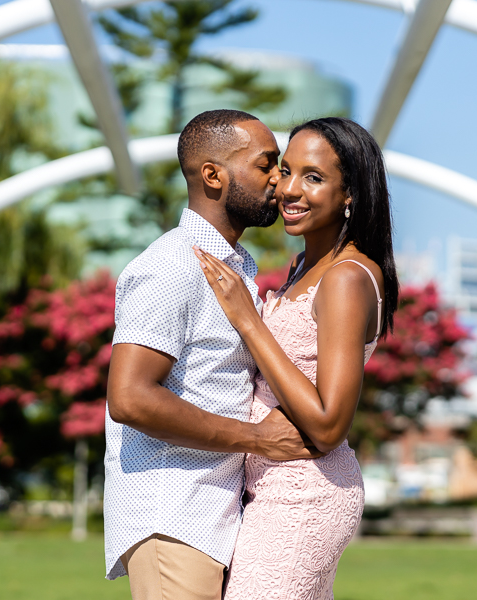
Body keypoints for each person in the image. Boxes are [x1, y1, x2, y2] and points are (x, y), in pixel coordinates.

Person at [104, 109, 321, 600]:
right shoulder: (171, 267)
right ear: (213, 175)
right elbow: (130, 398)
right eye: (267, 165)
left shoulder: (233, 268)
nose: (280, 183)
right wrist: (258, 439)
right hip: (173, 518)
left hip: (214, 518)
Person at [194, 116, 399, 598]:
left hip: (304, 494)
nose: (289, 189)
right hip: (270, 489)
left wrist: (249, 321)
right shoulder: (306, 266)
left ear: (350, 194)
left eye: (313, 177)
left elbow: (329, 425)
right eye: (286, 171)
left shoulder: (346, 278)